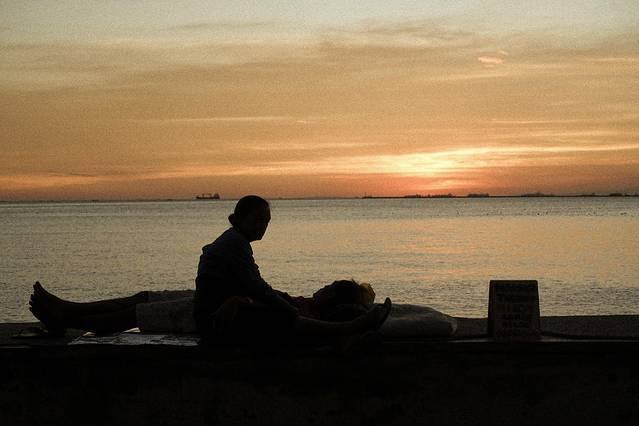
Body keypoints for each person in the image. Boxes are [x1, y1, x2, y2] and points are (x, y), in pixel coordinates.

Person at [28, 195, 392, 344]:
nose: (264, 226)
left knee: (138, 308)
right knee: (137, 308)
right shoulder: (235, 244)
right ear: (239, 218)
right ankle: (67, 314)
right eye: (259, 220)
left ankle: (66, 314)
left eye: (267, 221)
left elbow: (251, 286)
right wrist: (276, 304)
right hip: (208, 308)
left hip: (208, 305)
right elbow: (256, 286)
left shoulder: (235, 243)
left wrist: (255, 300)